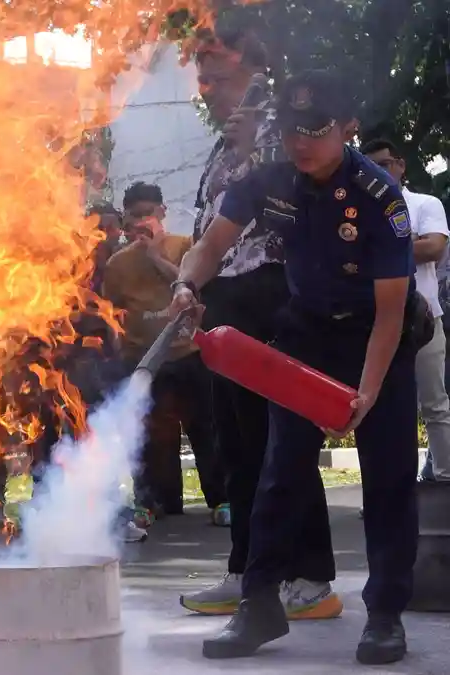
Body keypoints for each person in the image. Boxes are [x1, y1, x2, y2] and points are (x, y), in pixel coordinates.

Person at [171, 70, 419, 665]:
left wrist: (365, 395)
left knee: (388, 482)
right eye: (290, 130)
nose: (300, 142)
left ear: (347, 129)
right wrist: (185, 284)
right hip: (305, 333)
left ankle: (384, 615)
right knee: (279, 472)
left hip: (377, 340)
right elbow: (211, 244)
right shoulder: (270, 180)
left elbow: (389, 315)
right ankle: (258, 606)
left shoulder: (381, 199)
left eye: (315, 129)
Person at [179, 24, 341, 621]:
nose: (208, 90)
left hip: (278, 292)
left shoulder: (286, 130)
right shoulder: (223, 143)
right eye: (202, 81)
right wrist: (190, 284)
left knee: (283, 438)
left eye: (218, 78)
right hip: (228, 298)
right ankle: (247, 569)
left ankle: (311, 576)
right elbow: (214, 226)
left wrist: (255, 149)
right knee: (236, 441)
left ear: (253, 75)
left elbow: (308, 200)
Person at [103, 182, 227, 521]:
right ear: (125, 222)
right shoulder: (117, 265)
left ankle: (221, 500)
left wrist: (158, 258)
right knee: (150, 435)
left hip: (188, 353)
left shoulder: (186, 247)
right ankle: (155, 502)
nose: (144, 222)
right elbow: (112, 314)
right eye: (136, 216)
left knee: (206, 428)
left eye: (150, 213)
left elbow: (198, 289)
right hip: (144, 359)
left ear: (163, 213)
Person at [362, 139, 450, 481]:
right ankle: (389, 487)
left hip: (422, 320)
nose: (376, 172)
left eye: (383, 164)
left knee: (434, 403)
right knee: (380, 407)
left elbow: (433, 248)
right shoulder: (359, 208)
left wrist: (378, 249)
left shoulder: (424, 204)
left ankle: (444, 480)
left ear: (400, 165)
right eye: (368, 165)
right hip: (372, 321)